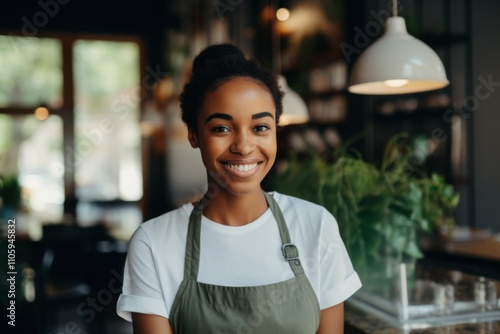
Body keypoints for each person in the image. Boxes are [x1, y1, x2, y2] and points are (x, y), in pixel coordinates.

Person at [116, 43, 362, 334]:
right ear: (194, 135)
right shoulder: (153, 243)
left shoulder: (316, 226)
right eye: (222, 128)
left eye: (260, 128)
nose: (244, 146)